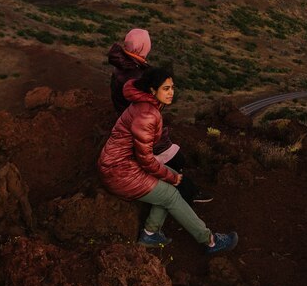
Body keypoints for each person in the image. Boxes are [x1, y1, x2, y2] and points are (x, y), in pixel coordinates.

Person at [98, 65, 237, 255]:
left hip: (122, 164)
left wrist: (169, 175)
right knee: (171, 192)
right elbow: (146, 160)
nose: (171, 92)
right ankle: (210, 241)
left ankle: (150, 233)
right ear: (152, 90)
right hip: (119, 172)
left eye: (172, 87)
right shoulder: (147, 115)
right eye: (166, 88)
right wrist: (171, 178)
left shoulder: (144, 105)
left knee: (170, 178)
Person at [107, 28, 209, 204]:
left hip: (127, 120)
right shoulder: (136, 75)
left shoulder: (123, 67)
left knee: (172, 158)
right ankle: (186, 193)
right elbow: (145, 112)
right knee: (176, 159)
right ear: (144, 48)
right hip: (138, 127)